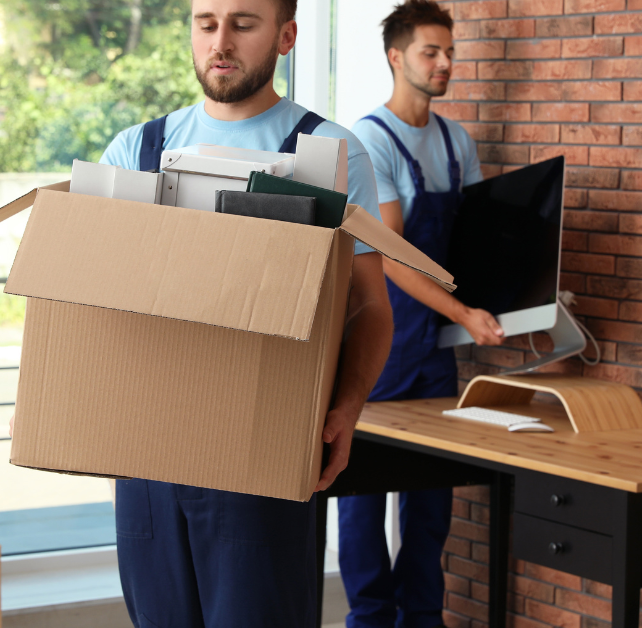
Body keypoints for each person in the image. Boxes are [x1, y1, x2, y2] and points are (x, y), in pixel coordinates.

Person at [93, 0, 391, 625]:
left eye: (243, 23)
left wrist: (348, 406)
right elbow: (92, 300)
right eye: (206, 24)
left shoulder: (331, 153)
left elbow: (368, 305)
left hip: (266, 441)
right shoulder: (135, 150)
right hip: (148, 455)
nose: (220, 41)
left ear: (285, 36)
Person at [337, 2, 504, 627]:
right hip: (379, 341)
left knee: (431, 500)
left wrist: (517, 303)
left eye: (450, 52)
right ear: (396, 57)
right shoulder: (367, 142)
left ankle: (423, 619)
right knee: (361, 496)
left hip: (436, 349)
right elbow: (394, 256)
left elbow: (474, 245)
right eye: (431, 52)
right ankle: (371, 619)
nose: (444, 64)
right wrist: (465, 311)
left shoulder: (456, 141)